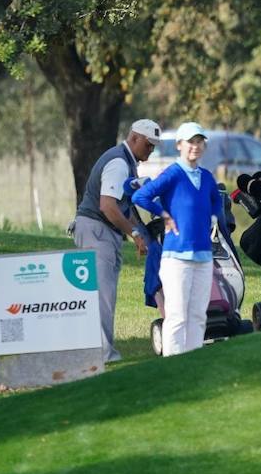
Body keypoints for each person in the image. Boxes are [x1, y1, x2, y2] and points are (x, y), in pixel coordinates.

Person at [132, 122, 225, 357]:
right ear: (179, 145)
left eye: (199, 141)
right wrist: (163, 214)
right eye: (190, 142)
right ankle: (173, 365)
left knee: (197, 315)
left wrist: (213, 218)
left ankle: (192, 363)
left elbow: (217, 201)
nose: (195, 146)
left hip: (203, 257)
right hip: (177, 258)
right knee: (177, 315)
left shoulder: (206, 176)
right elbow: (141, 195)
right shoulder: (173, 173)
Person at [72, 119, 161, 362]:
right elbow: (108, 206)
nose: (151, 150)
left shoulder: (127, 162)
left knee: (104, 294)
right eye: (148, 144)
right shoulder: (119, 163)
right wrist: (133, 233)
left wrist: (138, 233)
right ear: (134, 138)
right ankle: (103, 355)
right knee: (102, 295)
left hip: (100, 231)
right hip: (97, 230)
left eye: (154, 146)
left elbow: (125, 206)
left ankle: (98, 351)